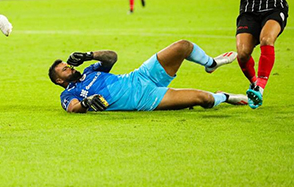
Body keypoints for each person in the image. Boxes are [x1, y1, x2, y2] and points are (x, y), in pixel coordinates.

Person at [48, 40, 245, 113]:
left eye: (68, 65)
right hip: (145, 99)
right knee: (205, 99)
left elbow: (112, 57)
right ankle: (225, 96)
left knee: (182, 46)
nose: (70, 68)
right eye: (65, 70)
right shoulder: (69, 93)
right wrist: (86, 102)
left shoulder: (89, 71)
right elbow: (73, 108)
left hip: (141, 76)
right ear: (59, 80)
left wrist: (89, 55)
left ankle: (211, 64)